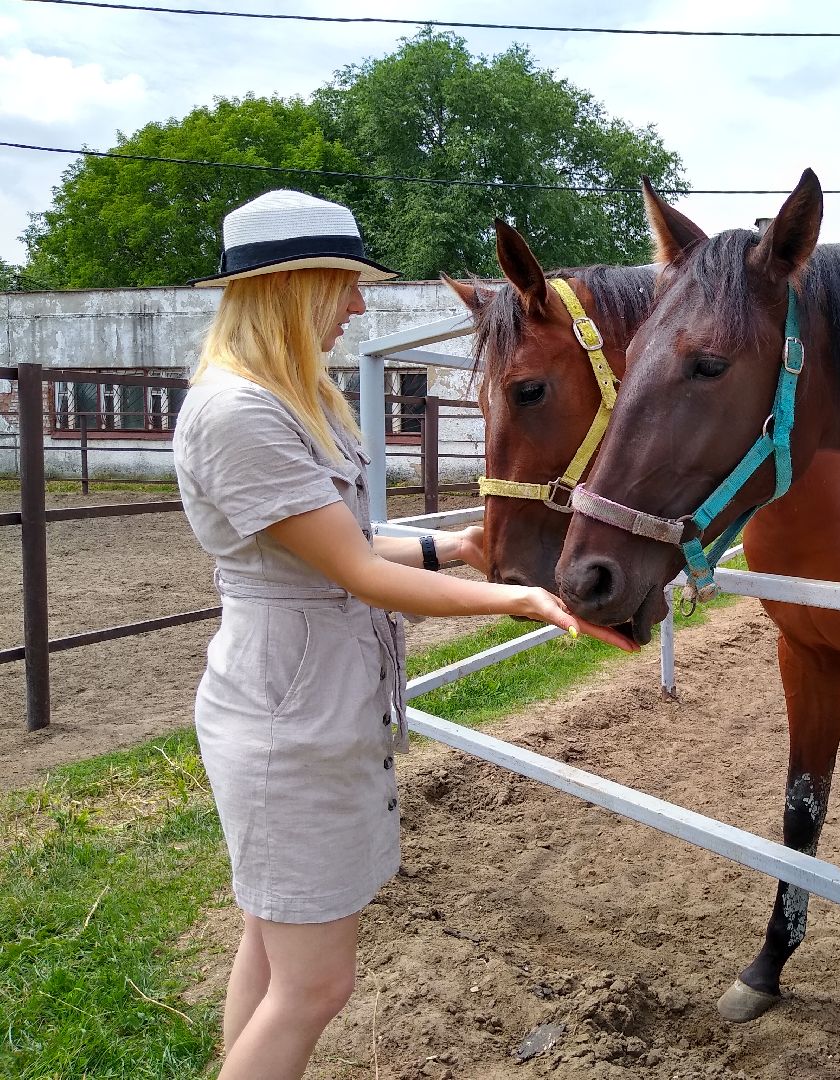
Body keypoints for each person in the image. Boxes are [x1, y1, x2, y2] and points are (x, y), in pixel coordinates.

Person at [176, 189, 635, 1080]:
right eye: (345, 285)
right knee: (315, 988)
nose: (356, 305)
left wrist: (455, 546)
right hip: (291, 725)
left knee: (270, 955)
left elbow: (334, 544)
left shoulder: (276, 397)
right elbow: (357, 573)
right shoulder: (244, 415)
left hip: (301, 704)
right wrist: (518, 602)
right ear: (294, 287)